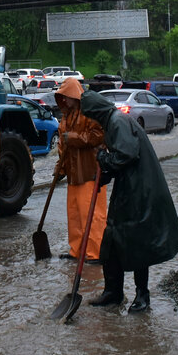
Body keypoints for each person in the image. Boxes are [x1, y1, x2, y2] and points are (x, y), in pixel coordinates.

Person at [81, 89, 178, 313]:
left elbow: (126, 155)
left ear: (95, 113)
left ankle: (142, 295)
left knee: (139, 243)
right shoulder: (113, 122)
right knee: (111, 239)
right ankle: (113, 292)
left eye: (89, 116)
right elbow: (121, 159)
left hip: (140, 191)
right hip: (129, 187)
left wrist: (102, 157)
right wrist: (105, 174)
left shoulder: (117, 121)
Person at [52, 78, 108, 262]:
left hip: (90, 171)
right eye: (61, 97)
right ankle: (77, 251)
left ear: (75, 96)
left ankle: (95, 252)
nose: (64, 101)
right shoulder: (66, 117)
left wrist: (74, 138)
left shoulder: (89, 113)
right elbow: (63, 146)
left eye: (66, 97)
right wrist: (60, 169)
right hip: (74, 174)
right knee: (75, 214)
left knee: (92, 215)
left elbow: (98, 136)